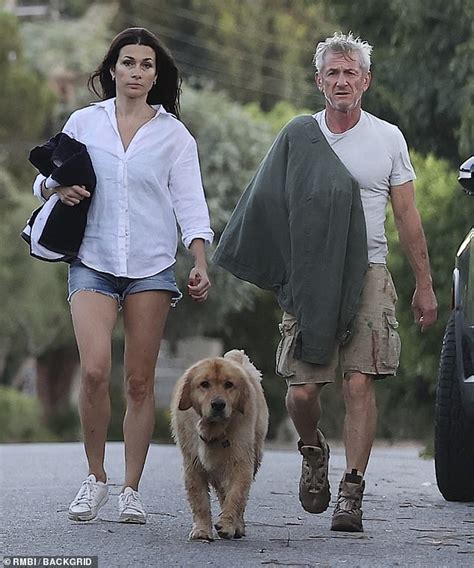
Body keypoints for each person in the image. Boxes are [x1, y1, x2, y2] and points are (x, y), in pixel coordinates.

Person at [214, 32, 437, 532]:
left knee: (360, 382)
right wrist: (279, 270)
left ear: (366, 81)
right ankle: (313, 450)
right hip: (311, 277)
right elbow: (266, 204)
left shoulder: (388, 139)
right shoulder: (299, 136)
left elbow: (407, 216)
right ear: (319, 81)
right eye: (332, 73)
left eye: (350, 73)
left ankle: (351, 492)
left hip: (370, 272)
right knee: (303, 394)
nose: (341, 81)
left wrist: (425, 284)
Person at [32, 27, 213, 524]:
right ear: (112, 69)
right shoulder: (84, 122)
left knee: (138, 382)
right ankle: (95, 478)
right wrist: (56, 187)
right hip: (91, 259)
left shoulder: (174, 135)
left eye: (146, 65)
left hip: (151, 268)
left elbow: (191, 205)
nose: (136, 72)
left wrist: (198, 261)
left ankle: (131, 488)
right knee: (93, 370)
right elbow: (43, 176)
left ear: (157, 76)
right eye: (128, 62)